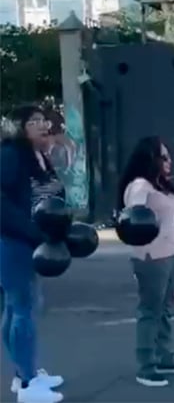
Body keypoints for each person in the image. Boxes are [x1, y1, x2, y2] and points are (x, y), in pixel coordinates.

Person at [117, 137, 174, 387]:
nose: (169, 161)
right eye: (163, 157)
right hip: (151, 256)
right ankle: (146, 365)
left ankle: (164, 357)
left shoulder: (160, 185)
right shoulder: (140, 186)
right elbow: (132, 218)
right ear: (150, 159)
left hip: (171, 253)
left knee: (165, 309)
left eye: (169, 157)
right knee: (150, 310)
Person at [1, 105, 65, 403]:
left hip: (28, 241)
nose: (43, 125)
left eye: (43, 120)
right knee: (22, 308)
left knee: (16, 307)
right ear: (19, 127)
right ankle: (28, 385)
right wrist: (30, 230)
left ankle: (22, 373)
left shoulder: (37, 156)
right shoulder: (10, 155)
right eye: (34, 121)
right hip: (12, 242)